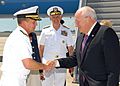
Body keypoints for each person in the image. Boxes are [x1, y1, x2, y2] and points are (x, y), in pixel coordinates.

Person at [50, 6, 120, 86]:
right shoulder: (80, 37)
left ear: (88, 19)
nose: (76, 25)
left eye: (77, 21)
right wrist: (56, 63)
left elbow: (113, 69)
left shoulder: (105, 33)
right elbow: (75, 59)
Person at [0, 6, 53, 86]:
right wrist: (45, 66)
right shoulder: (21, 38)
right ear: (24, 23)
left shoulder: (19, 35)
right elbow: (28, 63)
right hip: (14, 81)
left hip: (14, 80)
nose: (36, 24)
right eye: (33, 22)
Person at [38, 6, 74, 86]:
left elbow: (70, 49)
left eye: (57, 16)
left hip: (61, 64)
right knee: (46, 84)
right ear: (50, 18)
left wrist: (71, 64)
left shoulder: (67, 31)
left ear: (61, 17)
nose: (55, 19)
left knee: (60, 84)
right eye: (53, 17)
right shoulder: (45, 31)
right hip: (47, 63)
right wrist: (40, 65)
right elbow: (41, 49)